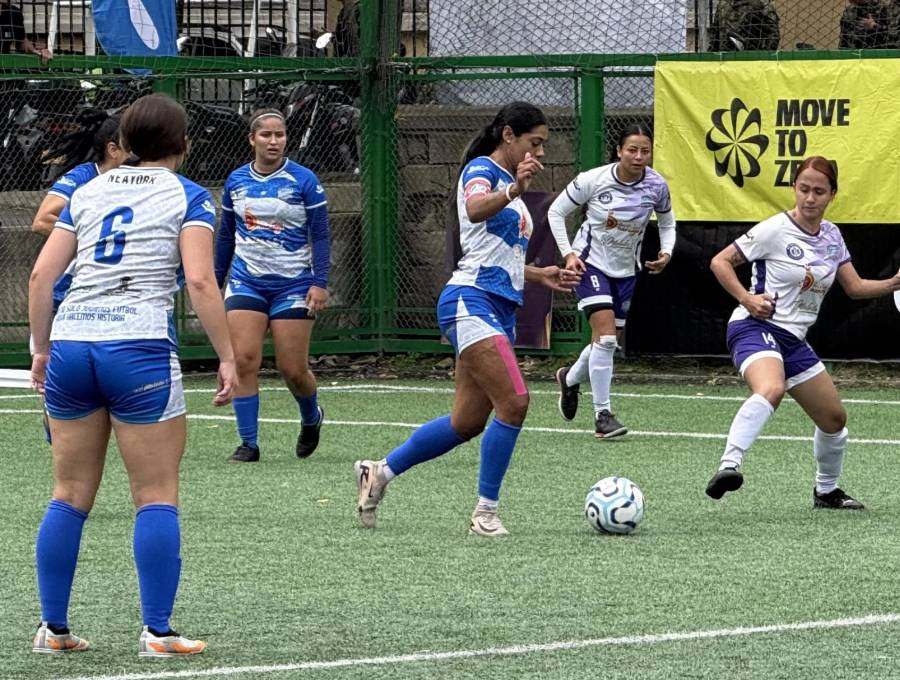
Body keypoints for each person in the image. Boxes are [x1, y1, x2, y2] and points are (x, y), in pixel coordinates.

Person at [28, 93, 236, 655]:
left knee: (68, 493)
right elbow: (199, 281)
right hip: (137, 344)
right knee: (155, 493)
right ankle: (158, 631)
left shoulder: (87, 190)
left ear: (126, 142)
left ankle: (53, 628)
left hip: (73, 341)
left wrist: (40, 350)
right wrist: (228, 356)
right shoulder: (189, 195)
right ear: (184, 143)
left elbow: (42, 277)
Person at [353, 101, 579, 537]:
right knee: (514, 401)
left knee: (467, 422)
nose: (542, 153)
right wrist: (514, 190)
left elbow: (493, 251)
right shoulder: (482, 169)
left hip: (496, 305)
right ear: (509, 135)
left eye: (545, 145)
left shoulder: (507, 181)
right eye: (536, 143)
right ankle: (485, 513)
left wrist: (537, 274)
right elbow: (475, 209)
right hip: (469, 302)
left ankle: (379, 471)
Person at [704, 156, 900, 509]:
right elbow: (720, 261)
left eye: (819, 191)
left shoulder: (832, 236)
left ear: (832, 195)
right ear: (794, 188)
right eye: (804, 189)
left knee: (834, 419)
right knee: (772, 387)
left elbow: (854, 287)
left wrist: (893, 283)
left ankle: (826, 492)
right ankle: (728, 465)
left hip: (793, 341)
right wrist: (747, 299)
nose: (810, 198)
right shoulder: (775, 229)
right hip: (755, 327)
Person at [214, 109, 331, 463]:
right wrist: (216, 280)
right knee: (245, 359)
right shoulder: (236, 181)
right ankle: (248, 443)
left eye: (279, 135)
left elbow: (322, 235)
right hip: (246, 282)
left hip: (294, 284)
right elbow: (225, 236)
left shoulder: (304, 180)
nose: (273, 141)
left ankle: (312, 417)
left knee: (293, 369)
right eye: (266, 135)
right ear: (252, 139)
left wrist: (320, 283)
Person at [548, 125, 676, 438]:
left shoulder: (657, 185)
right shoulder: (593, 180)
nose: (639, 156)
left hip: (626, 271)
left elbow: (668, 221)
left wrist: (667, 251)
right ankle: (603, 416)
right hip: (590, 264)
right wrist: (568, 255)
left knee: (605, 342)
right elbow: (555, 212)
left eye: (645, 150)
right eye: (632, 149)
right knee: (606, 339)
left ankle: (569, 377)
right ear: (619, 151)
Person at [708, 0, 780, 51]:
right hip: (724, 60)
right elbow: (715, 36)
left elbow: (773, 34)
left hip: (748, 59)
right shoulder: (723, 4)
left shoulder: (760, 3)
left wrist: (763, 56)